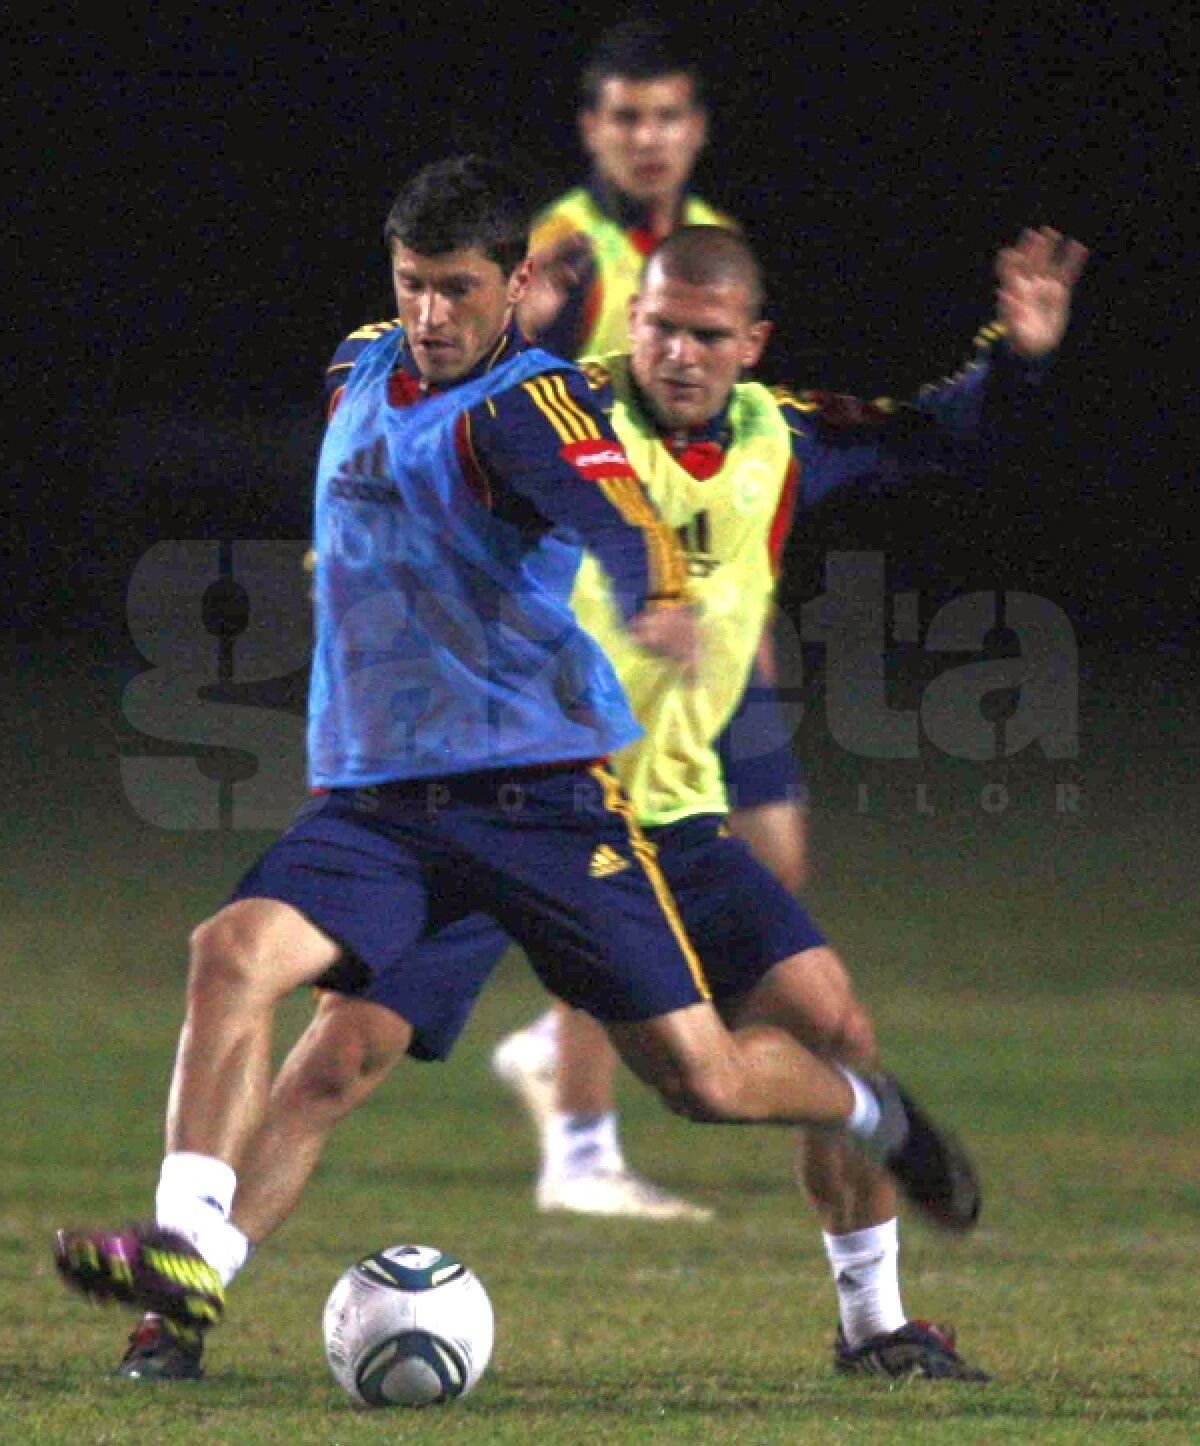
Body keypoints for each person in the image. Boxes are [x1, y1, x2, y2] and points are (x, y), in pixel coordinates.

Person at [98, 216, 1085, 1387]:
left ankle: (876, 1322)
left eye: (707, 335)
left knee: (821, 1035)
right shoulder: (555, 410)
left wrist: (1018, 357)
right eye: (658, 325)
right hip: (489, 793)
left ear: (750, 344)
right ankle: (178, 1306)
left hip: (656, 813)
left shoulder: (784, 439)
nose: (676, 353)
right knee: (333, 1060)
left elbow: (938, 437)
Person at [496, 14, 810, 1222]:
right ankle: (580, 1148)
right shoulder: (564, 258)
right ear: (592, 130)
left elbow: (736, 443)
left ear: (696, 127)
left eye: (669, 115)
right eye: (627, 116)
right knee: (618, 867)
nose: (650, 137)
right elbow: (507, 418)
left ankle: (551, 1047)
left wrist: (742, 600)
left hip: (705, 627)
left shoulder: (707, 248)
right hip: (600, 629)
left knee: (770, 858)